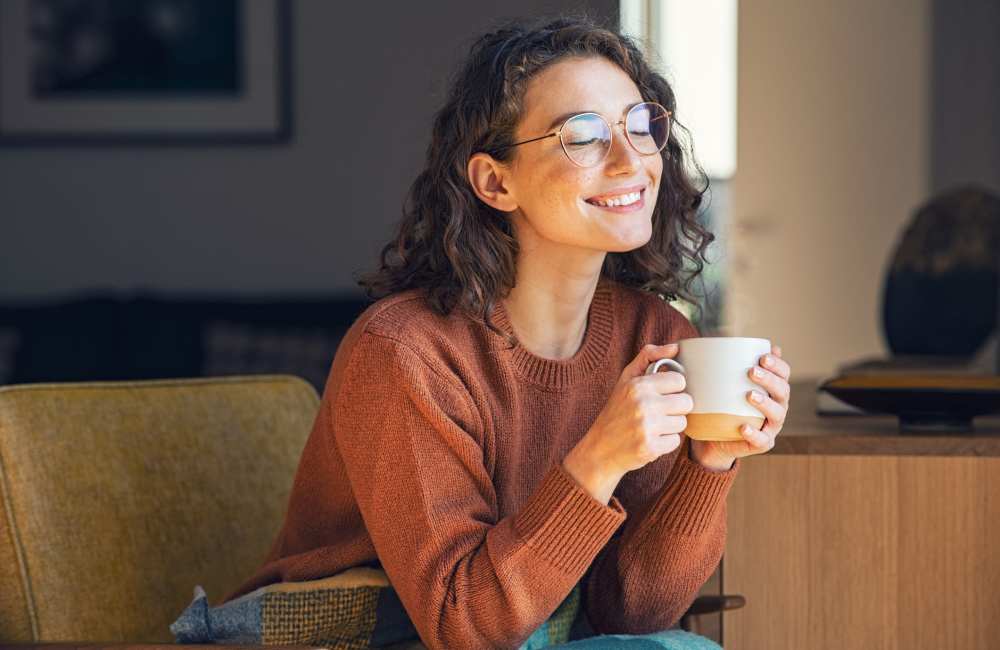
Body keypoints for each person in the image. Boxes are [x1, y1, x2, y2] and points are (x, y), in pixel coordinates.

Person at [225, 15, 792, 649]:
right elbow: (461, 626)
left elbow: (629, 615)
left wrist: (708, 463)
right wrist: (598, 459)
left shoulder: (655, 335)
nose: (631, 159)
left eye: (640, 124)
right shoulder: (406, 352)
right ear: (496, 182)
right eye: (583, 136)